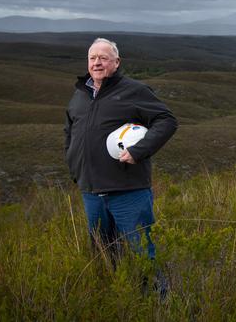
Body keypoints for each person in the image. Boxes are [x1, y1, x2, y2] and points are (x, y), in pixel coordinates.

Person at [64, 37, 177, 292]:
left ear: (116, 62)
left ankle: (158, 305)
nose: (97, 62)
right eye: (93, 58)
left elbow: (166, 121)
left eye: (104, 58)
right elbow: (69, 132)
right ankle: (118, 299)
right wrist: (74, 168)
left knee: (142, 252)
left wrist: (139, 151)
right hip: (92, 192)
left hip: (128, 191)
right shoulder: (80, 95)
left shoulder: (134, 90)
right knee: (103, 254)